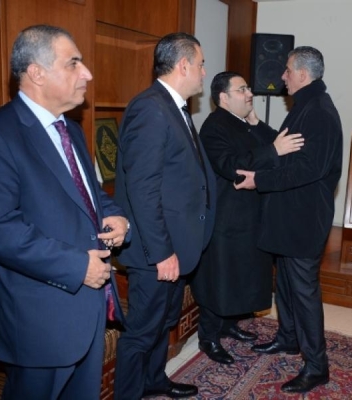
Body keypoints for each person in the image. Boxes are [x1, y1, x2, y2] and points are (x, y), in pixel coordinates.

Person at [0, 24, 130, 400]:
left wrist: (116, 215)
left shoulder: (70, 129)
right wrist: (78, 266)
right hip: (39, 316)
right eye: (74, 63)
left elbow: (89, 193)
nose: (87, 74)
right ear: (36, 73)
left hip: (87, 305)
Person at [113, 32, 216, 399]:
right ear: (183, 65)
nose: (204, 72)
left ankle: (154, 380)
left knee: (163, 324)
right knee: (142, 333)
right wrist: (161, 253)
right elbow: (143, 190)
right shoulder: (150, 109)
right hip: (155, 252)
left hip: (175, 245)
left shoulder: (173, 107)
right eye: (201, 64)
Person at [235, 46, 343, 394]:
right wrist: (257, 126)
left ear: (302, 74)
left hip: (303, 219)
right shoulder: (306, 106)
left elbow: (308, 169)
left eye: (287, 70)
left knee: (303, 291)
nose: (282, 76)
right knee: (284, 283)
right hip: (289, 216)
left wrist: (259, 180)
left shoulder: (319, 112)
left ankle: (317, 366)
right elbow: (285, 147)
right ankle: (288, 338)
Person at [190, 71, 304, 364]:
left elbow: (278, 147)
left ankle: (229, 324)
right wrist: (272, 150)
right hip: (226, 220)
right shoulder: (214, 126)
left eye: (248, 88)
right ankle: (209, 336)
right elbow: (233, 166)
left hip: (250, 217)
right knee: (221, 279)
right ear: (224, 98)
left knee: (241, 277)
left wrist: (256, 123)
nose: (250, 94)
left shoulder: (242, 123)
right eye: (242, 90)